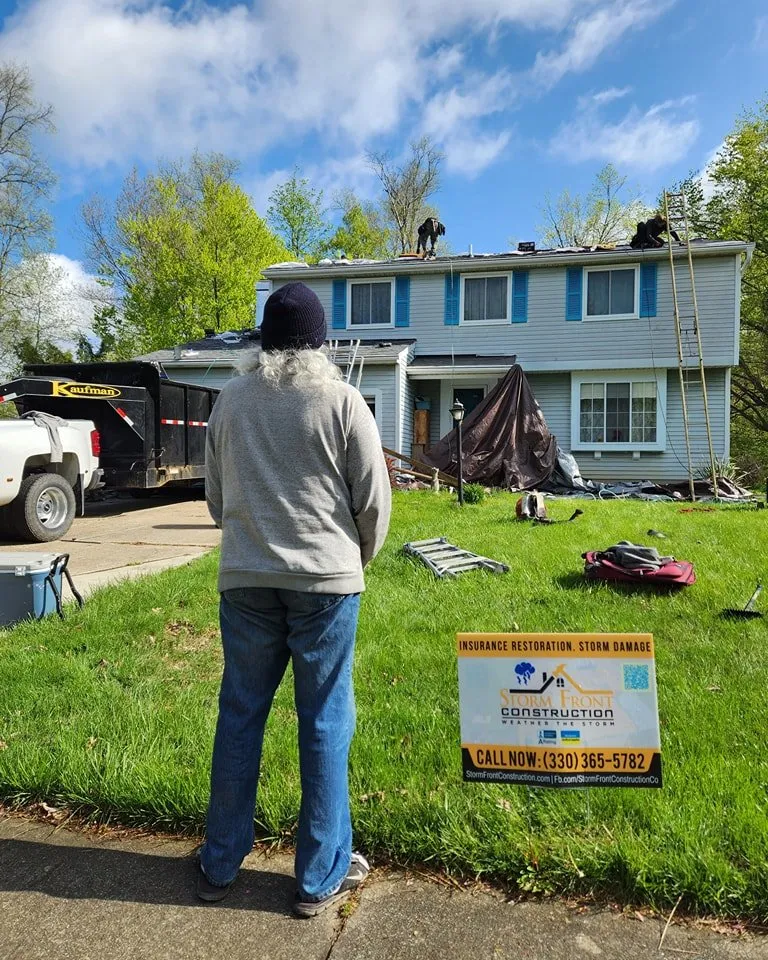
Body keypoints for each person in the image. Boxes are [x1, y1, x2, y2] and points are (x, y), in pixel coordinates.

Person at [198, 282, 392, 917]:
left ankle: (220, 862)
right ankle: (318, 878)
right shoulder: (341, 401)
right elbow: (374, 504)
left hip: (247, 579)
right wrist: (351, 560)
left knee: (240, 715)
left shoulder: (229, 401)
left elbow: (216, 499)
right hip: (326, 585)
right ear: (320, 344)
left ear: (264, 342)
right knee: (326, 721)